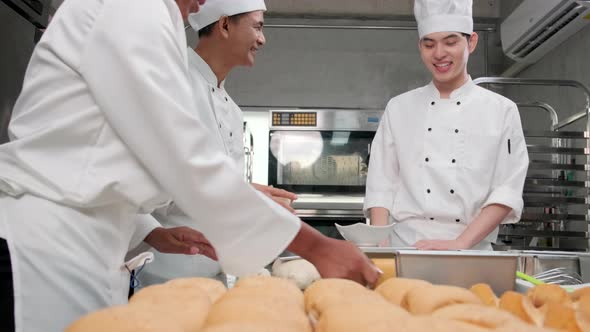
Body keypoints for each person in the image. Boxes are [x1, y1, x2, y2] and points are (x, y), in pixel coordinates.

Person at [0, 0, 379, 331]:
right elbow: (184, 154)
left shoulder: (147, 13)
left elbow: (99, 152)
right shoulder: (132, 7)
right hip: (46, 249)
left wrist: (150, 229)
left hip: (88, 246)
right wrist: (317, 246)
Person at [139, 0, 297, 286]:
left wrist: (246, 191)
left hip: (214, 273)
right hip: (163, 274)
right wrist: (244, 197)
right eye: (257, 26)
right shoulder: (171, 80)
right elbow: (159, 182)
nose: (262, 39)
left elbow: (208, 185)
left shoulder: (233, 111)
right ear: (225, 25)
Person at [364, 0, 529, 251]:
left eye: (450, 42)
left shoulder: (501, 110)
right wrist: (380, 247)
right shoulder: (399, 108)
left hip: (471, 251)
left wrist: (459, 244)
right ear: (420, 47)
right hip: (405, 248)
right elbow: (381, 184)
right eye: (429, 44)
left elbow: (507, 189)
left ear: (471, 42)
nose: (439, 53)